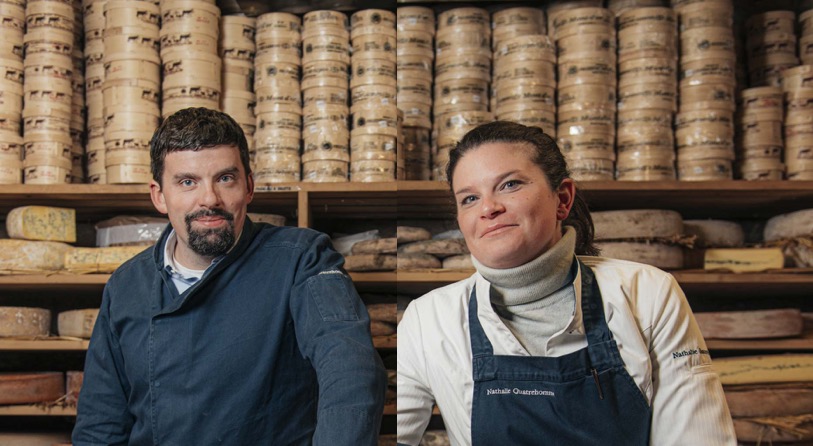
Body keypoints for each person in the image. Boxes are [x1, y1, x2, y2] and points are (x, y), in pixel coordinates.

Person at [397, 121, 736, 445]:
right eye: (469, 198)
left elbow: (696, 437)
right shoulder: (429, 319)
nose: (489, 207)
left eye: (510, 184)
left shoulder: (646, 293)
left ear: (562, 199)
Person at [73, 108, 387, 445]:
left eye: (225, 178)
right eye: (187, 182)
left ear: (249, 186)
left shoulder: (301, 259)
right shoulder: (126, 285)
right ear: (159, 196)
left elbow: (351, 372)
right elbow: (100, 425)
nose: (210, 199)